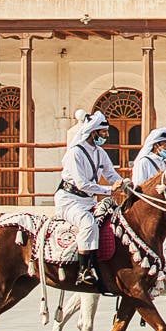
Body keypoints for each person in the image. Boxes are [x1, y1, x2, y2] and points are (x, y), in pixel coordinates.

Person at [56, 111, 124, 289]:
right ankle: (84, 270)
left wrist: (125, 185)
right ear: (93, 132)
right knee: (88, 223)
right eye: (103, 132)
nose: (106, 136)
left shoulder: (100, 153)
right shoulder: (75, 153)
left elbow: (111, 174)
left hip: (88, 201)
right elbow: (82, 184)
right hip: (70, 200)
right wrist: (109, 190)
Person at [131, 127, 166, 294]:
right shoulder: (144, 162)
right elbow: (140, 188)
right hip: (149, 208)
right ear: (156, 145)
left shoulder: (165, 163)